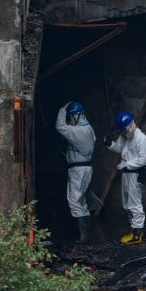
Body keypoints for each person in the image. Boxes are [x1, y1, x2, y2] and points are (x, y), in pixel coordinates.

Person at [106, 110, 146, 245]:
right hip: (127, 173)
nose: (124, 132)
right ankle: (135, 229)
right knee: (127, 204)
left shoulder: (141, 138)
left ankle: (138, 235)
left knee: (134, 204)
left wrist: (127, 165)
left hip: (135, 174)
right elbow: (120, 149)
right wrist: (110, 144)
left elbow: (144, 159)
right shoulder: (126, 136)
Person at [55, 101, 96, 243]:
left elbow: (60, 127)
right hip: (82, 168)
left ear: (76, 116)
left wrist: (63, 108)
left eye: (71, 117)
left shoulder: (80, 131)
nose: (70, 120)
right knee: (81, 202)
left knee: (74, 202)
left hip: (79, 170)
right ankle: (87, 235)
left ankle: (84, 237)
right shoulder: (87, 129)